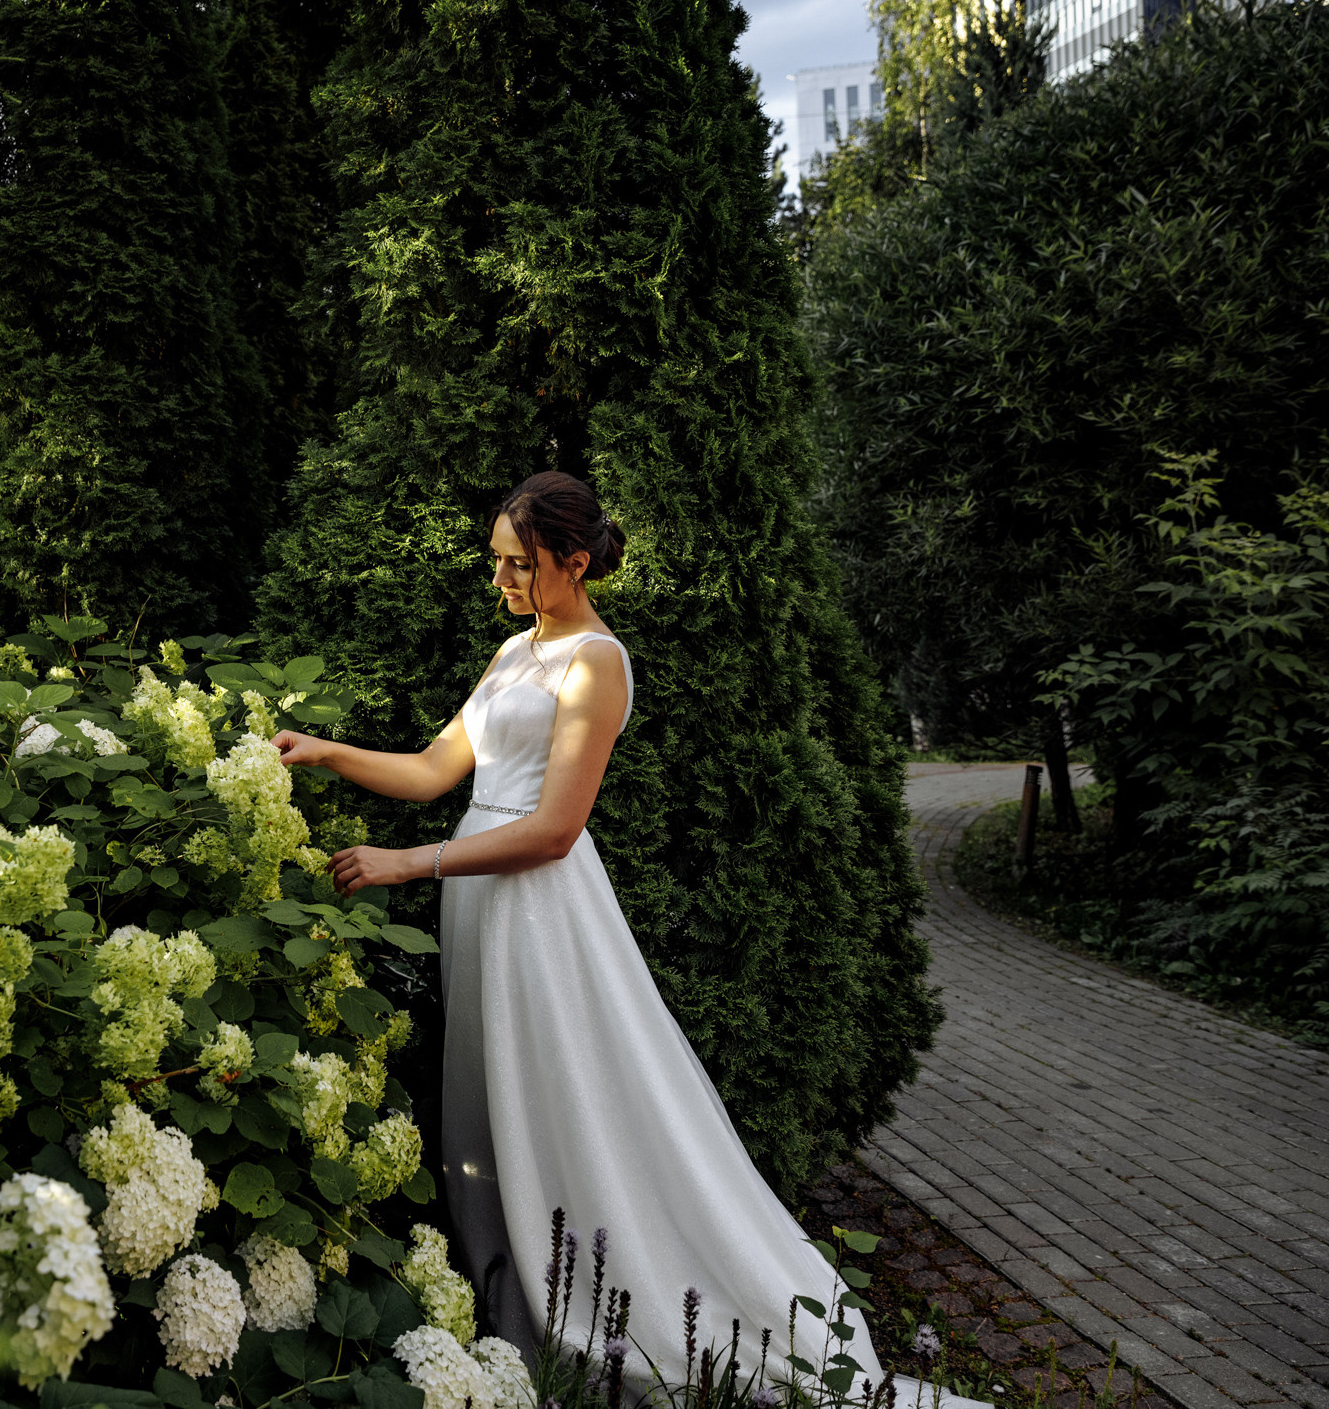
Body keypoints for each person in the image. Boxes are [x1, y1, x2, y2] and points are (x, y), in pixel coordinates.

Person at [272, 470, 885, 1392]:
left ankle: (621, 1301)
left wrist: (409, 862)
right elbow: (440, 768)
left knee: (559, 1100)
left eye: (520, 564)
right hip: (478, 898)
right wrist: (325, 751)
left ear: (576, 560)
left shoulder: (597, 661)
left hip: (537, 909)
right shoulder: (516, 652)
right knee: (490, 1097)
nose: (502, 580)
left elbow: (556, 828)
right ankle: (509, 1287)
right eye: (497, 563)